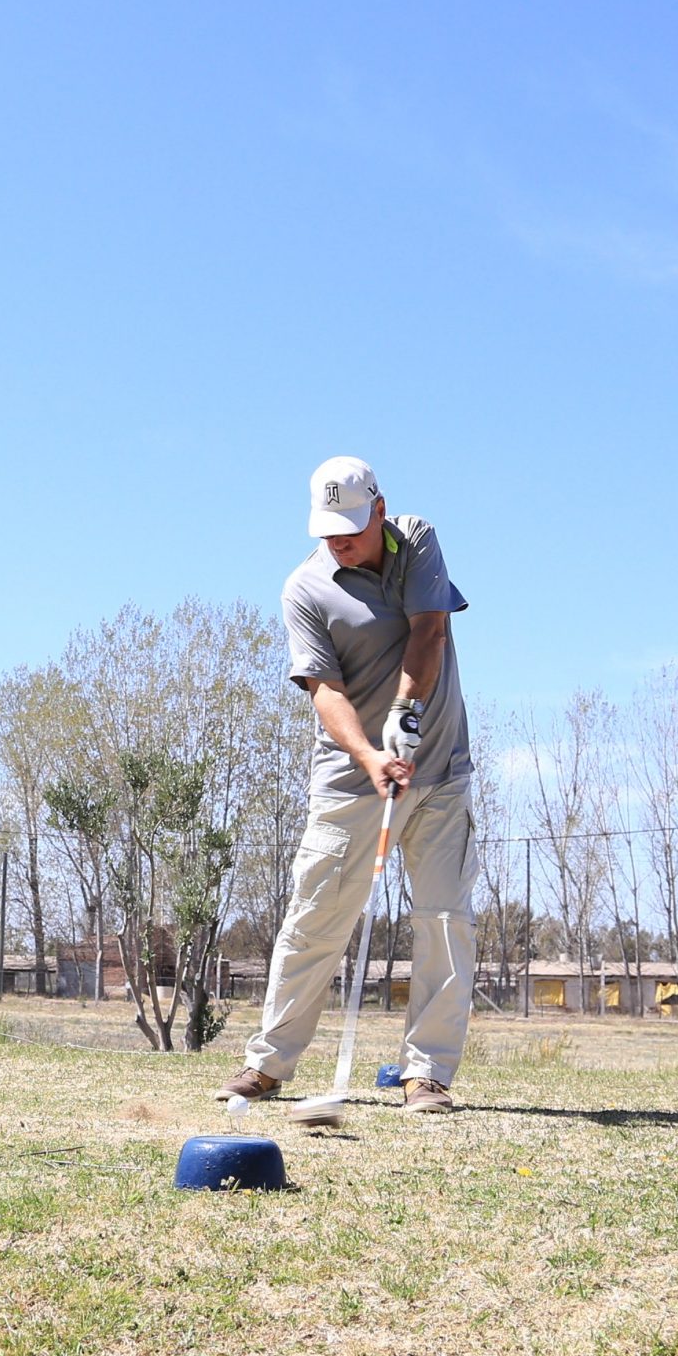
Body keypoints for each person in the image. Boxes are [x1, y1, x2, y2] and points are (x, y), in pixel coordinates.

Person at [221, 458, 474, 1114]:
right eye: (329, 529)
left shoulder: (416, 540)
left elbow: (430, 629)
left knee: (444, 919)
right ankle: (268, 1063)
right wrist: (369, 753)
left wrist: (405, 717)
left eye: (352, 528)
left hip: (440, 766)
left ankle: (427, 1074)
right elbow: (323, 690)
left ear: (379, 511)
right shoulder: (303, 588)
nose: (340, 540)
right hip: (349, 776)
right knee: (315, 917)